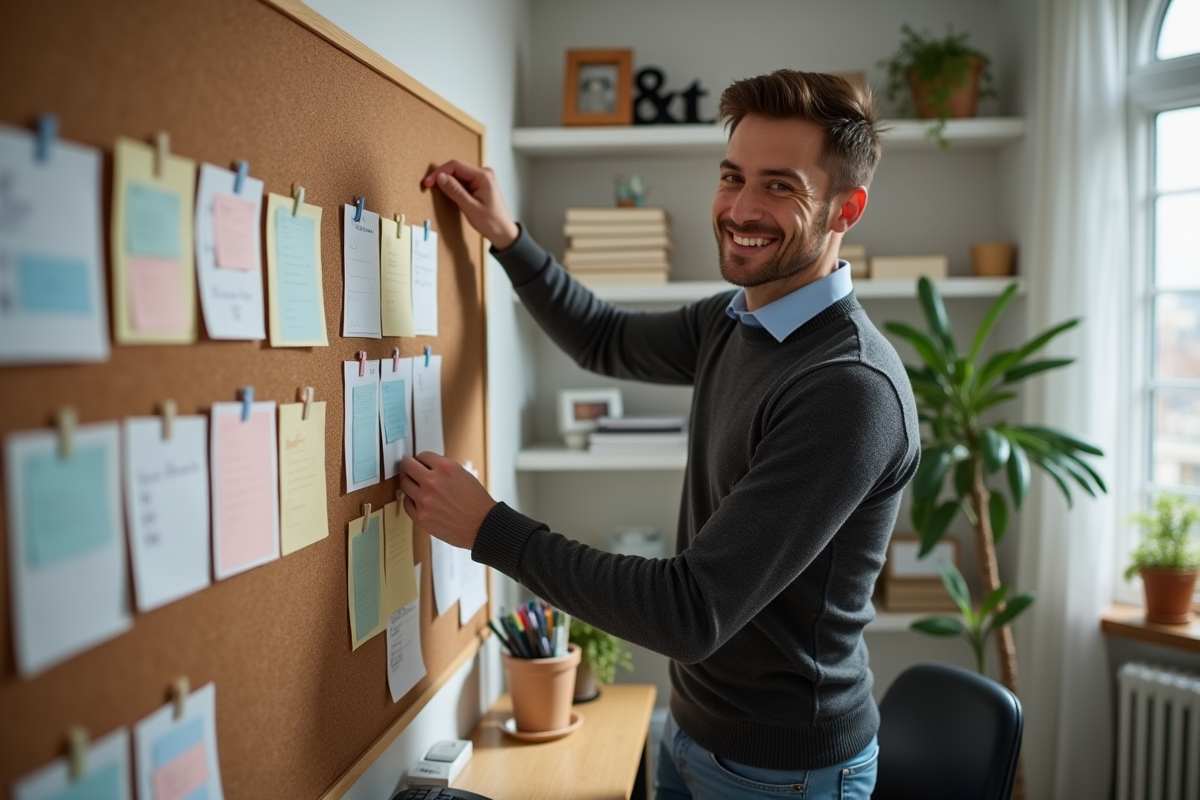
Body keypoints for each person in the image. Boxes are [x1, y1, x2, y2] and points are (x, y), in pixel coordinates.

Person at [399, 70, 918, 800]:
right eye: (733, 176)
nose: (740, 208)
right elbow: (603, 338)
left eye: (779, 186)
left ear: (846, 209)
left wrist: (490, 529)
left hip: (785, 773)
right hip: (694, 730)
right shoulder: (736, 320)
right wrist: (508, 239)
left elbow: (691, 611)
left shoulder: (848, 390)